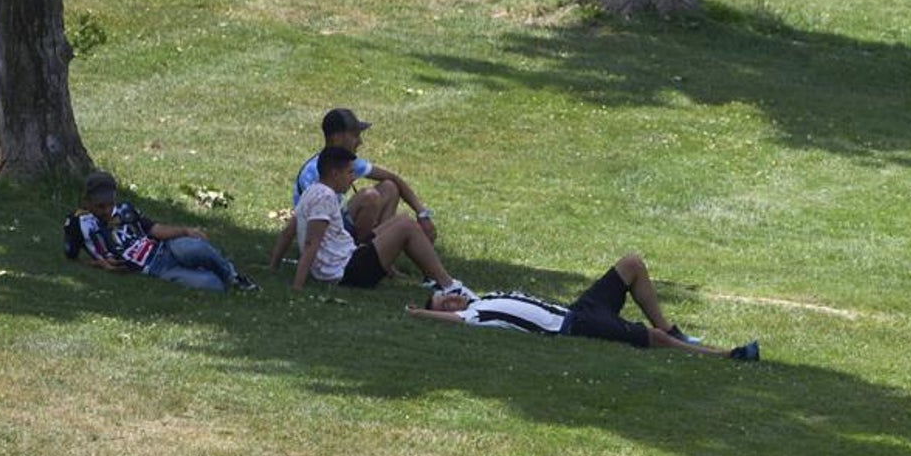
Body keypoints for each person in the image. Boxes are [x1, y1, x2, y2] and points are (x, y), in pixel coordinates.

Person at [408, 253, 759, 361]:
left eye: (447, 296)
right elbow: (451, 319)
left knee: (631, 264)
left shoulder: (478, 298)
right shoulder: (474, 315)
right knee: (650, 339)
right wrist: (419, 313)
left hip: (576, 309)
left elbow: (450, 285)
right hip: (574, 326)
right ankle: (726, 356)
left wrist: (441, 288)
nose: (452, 299)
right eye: (445, 302)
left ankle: (670, 328)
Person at [283, 146, 477, 298]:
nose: (352, 179)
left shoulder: (312, 191)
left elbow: (289, 230)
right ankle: (449, 286)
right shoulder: (325, 197)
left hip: (348, 260)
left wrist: (273, 265)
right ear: (335, 174)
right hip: (347, 272)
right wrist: (297, 286)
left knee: (401, 220)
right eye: (350, 173)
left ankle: (433, 279)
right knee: (407, 225)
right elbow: (311, 243)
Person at [268, 107, 436, 272]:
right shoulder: (314, 172)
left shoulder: (347, 163)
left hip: (337, 228)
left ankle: (382, 257)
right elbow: (298, 223)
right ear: (336, 138)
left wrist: (422, 213)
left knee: (389, 187)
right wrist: (282, 269)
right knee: (371, 197)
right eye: (355, 135)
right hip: (323, 238)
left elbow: (394, 178)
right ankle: (367, 256)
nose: (360, 142)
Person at [63, 171, 259, 293]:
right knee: (212, 285)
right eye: (100, 206)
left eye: (109, 204)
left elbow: (153, 228)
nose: (106, 210)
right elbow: (70, 258)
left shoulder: (125, 209)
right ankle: (216, 273)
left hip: (165, 248)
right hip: (156, 269)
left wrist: (185, 230)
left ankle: (233, 276)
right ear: (86, 201)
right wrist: (98, 264)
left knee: (193, 248)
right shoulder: (77, 222)